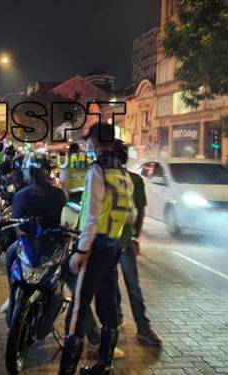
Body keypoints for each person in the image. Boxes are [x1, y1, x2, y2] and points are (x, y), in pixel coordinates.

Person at [59, 124, 134, 375]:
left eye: (89, 141)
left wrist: (82, 250)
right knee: (108, 303)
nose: (87, 146)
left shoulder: (98, 170)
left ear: (95, 142)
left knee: (79, 307)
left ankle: (67, 370)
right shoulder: (123, 173)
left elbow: (91, 215)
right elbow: (127, 214)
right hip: (113, 247)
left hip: (95, 246)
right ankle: (105, 366)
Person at [1, 154, 67, 314]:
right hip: (51, 244)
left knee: (10, 254)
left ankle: (11, 296)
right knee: (70, 273)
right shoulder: (58, 194)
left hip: (39, 243)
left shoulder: (22, 194)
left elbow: (16, 224)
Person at [115, 143, 163, 347]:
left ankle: (143, 328)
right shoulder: (100, 178)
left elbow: (140, 210)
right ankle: (115, 319)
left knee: (132, 285)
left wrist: (135, 238)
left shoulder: (134, 180)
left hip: (123, 241)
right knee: (111, 285)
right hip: (106, 241)